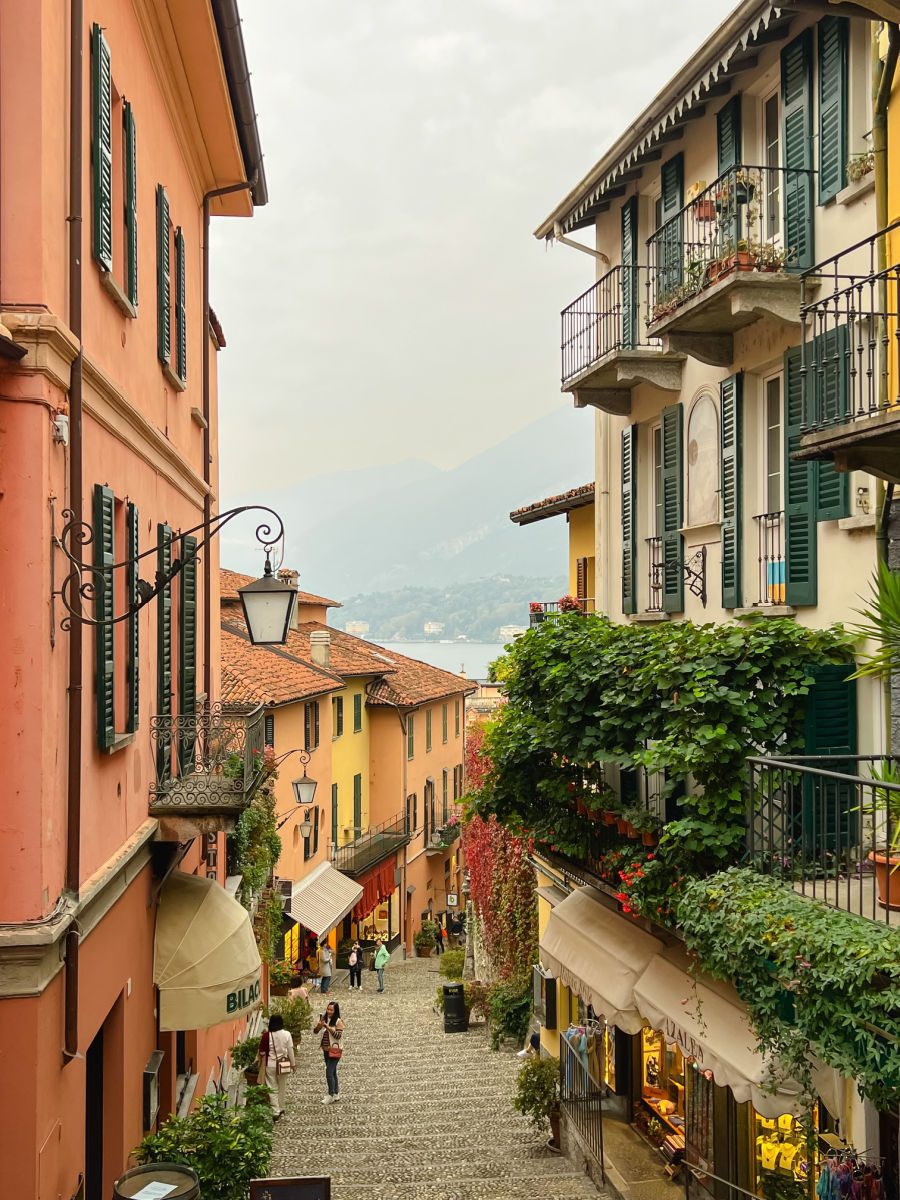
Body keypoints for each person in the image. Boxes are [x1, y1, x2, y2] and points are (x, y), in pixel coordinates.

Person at [258, 1014, 295, 1119]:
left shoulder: (266, 1035)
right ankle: (281, 1107)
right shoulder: (287, 1034)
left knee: (272, 1087)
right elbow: (290, 1050)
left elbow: (261, 1052)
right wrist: (293, 1064)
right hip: (283, 1064)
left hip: (270, 1064)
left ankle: (275, 1110)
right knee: (282, 1086)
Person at [313, 1001, 344, 1104]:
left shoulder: (338, 1021)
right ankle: (336, 1093)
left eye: (331, 1010)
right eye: (328, 1009)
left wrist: (328, 1027)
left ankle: (330, 1094)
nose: (329, 1011)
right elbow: (316, 1031)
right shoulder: (324, 1019)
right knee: (333, 1071)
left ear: (335, 1011)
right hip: (326, 1050)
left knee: (329, 1072)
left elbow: (338, 1036)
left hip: (335, 1050)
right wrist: (319, 1026)